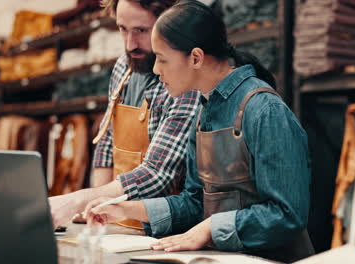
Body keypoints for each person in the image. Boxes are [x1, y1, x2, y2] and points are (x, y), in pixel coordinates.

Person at [84, 1, 314, 262]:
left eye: (162, 59)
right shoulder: (205, 110)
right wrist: (128, 210)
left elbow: (287, 214)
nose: (156, 70)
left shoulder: (264, 110)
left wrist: (210, 228)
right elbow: (195, 203)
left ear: (195, 58)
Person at [48, 0, 200, 229]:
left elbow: (158, 173)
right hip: (115, 224)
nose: (130, 44)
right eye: (122, 29)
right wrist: (94, 208)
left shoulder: (185, 79)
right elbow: (107, 143)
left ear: (169, 23)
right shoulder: (123, 67)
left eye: (141, 30)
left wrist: (76, 200)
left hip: (162, 230)